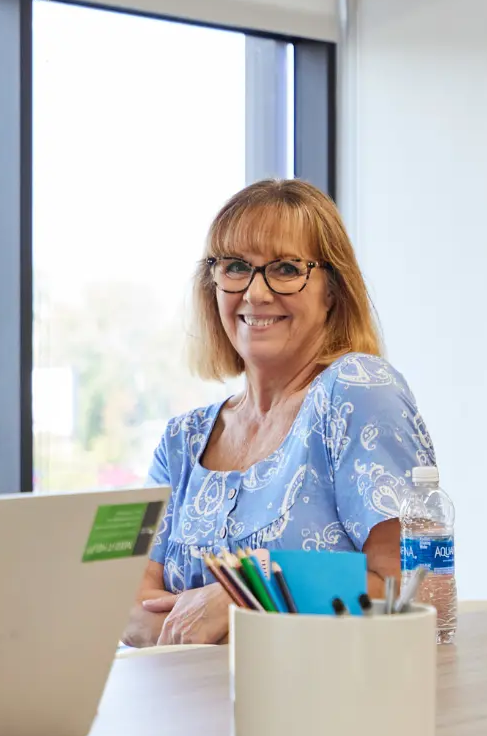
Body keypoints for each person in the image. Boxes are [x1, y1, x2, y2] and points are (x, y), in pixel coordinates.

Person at [124, 179, 435, 647]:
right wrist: (194, 632)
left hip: (326, 707)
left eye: (286, 269)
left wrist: (246, 597)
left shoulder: (358, 391)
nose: (256, 293)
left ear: (332, 290)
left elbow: (410, 586)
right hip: (186, 708)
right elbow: (120, 597)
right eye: (235, 268)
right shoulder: (180, 440)